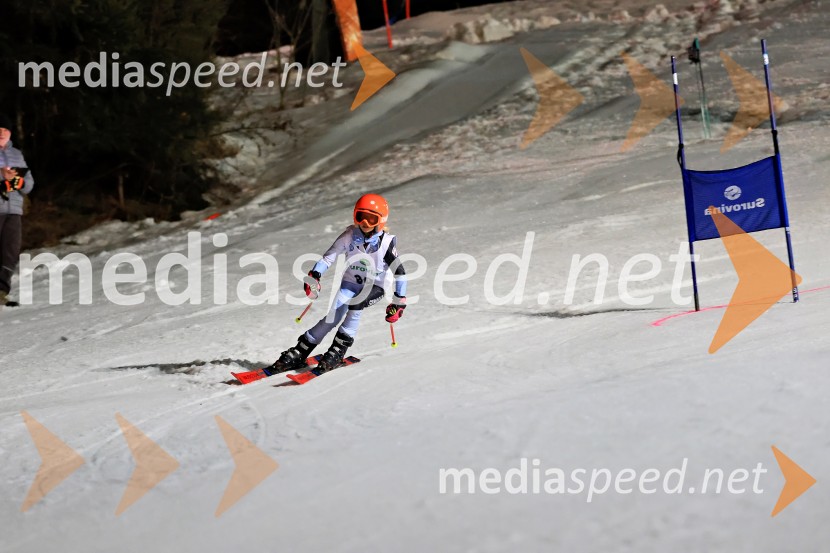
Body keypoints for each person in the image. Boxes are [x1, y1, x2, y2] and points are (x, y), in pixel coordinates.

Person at [270, 193, 408, 373]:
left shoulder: (386, 243)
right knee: (332, 316)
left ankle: (338, 349)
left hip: (376, 286)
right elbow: (328, 258)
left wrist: (399, 301)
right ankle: (302, 349)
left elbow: (400, 273)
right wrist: (315, 275)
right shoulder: (349, 235)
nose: (365, 223)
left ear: (381, 221)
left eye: (371, 219)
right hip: (351, 282)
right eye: (361, 217)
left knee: (356, 304)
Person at [0, 114, 35, 306]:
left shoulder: (17, 155)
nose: (1, 133)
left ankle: (1, 292)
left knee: (11, 251)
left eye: (5, 130)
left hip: (14, 210)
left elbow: (28, 184)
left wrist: (15, 181)